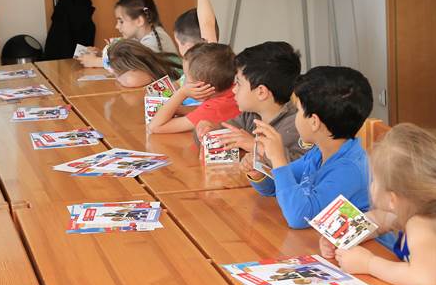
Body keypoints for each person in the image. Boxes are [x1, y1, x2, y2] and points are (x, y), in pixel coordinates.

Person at [250, 66, 373, 229]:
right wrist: (259, 173)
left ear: (314, 122)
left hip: (358, 244)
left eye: (298, 110)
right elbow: (277, 186)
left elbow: (299, 217)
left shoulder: (349, 170)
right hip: (320, 239)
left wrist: (278, 160)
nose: (295, 116)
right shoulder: (319, 153)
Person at [321, 124, 436, 285]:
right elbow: (377, 221)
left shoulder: (420, 224)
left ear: (392, 199)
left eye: (374, 180)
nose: (371, 184)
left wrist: (368, 263)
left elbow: (423, 280)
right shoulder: (411, 210)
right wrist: (341, 235)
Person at [197, 41, 306, 169]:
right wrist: (208, 129)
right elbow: (225, 136)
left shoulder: (298, 125)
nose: (234, 90)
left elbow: (302, 169)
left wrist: (255, 146)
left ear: (261, 92)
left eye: (239, 83)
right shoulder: (251, 116)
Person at [148, 43, 240, 134]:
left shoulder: (214, 109)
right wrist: (182, 109)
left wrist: (181, 93)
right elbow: (204, 109)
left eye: (186, 77)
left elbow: (155, 127)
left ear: (201, 86)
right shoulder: (232, 90)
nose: (184, 81)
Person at [77, 0, 177, 68]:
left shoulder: (154, 40)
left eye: (121, 21)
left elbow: (130, 64)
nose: (117, 26)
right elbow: (126, 56)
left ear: (139, 21)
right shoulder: (140, 38)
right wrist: (102, 54)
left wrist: (96, 62)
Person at [105, 39, 183, 88]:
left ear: (135, 68)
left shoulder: (167, 84)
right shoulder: (162, 60)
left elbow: (132, 80)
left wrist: (119, 78)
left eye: (120, 73)